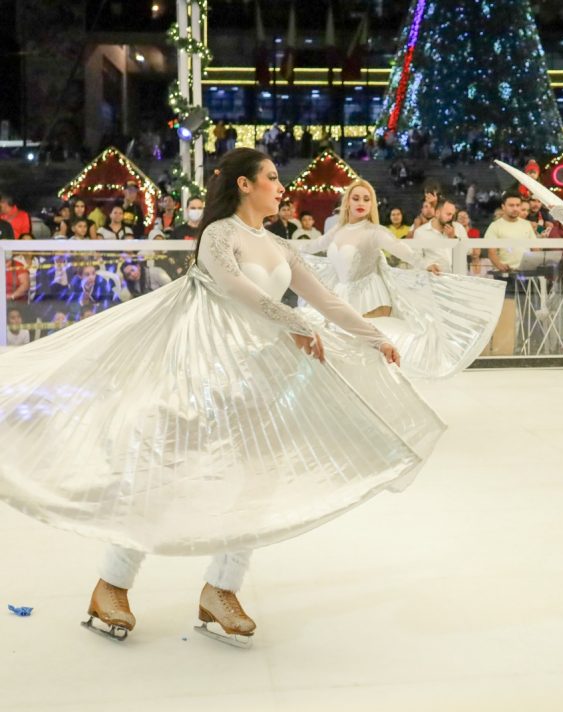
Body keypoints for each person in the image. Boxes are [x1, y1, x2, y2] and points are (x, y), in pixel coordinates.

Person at [0, 148, 444, 648]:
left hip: (256, 376)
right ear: (244, 185)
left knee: (255, 480)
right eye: (272, 178)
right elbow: (235, 288)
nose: (282, 187)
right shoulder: (219, 235)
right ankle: (112, 584)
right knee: (160, 469)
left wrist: (373, 338)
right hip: (198, 370)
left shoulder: (280, 246)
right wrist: (293, 320)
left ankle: (221, 590)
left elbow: (328, 300)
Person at [296, 178, 504, 378]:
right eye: (356, 198)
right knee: (346, 354)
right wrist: (276, 244)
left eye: (367, 199)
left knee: (369, 353)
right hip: (342, 295)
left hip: (370, 298)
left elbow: (401, 249)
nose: (361, 203)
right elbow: (311, 246)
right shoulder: (337, 230)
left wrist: (424, 264)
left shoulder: (375, 231)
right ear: (347, 202)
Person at [483, 191, 538, 355]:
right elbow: (491, 252)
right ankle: (504, 348)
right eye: (511, 205)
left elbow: (536, 248)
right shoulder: (496, 226)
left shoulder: (526, 225)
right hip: (506, 276)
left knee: (530, 313)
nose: (515, 208)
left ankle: (529, 347)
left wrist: (537, 262)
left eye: (517, 205)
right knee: (506, 314)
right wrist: (500, 265)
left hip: (527, 275)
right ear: (503, 207)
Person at [411, 199, 466, 270]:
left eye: (453, 215)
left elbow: (469, 251)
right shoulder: (420, 232)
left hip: (458, 276)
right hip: (434, 278)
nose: (451, 218)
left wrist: (454, 238)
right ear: (437, 213)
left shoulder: (458, 227)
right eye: (448, 214)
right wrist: (427, 266)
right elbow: (416, 259)